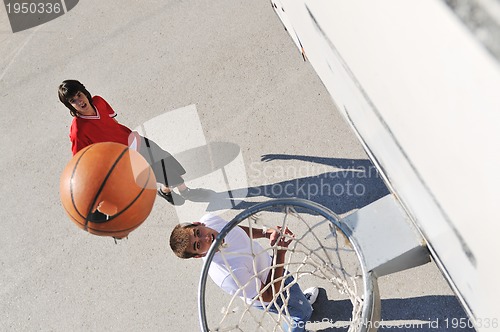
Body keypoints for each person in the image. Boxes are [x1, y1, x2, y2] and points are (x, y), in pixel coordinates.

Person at [58, 79, 206, 208]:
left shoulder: (98, 101)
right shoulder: (78, 130)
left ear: (84, 92)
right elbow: (82, 160)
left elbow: (113, 122)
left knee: (166, 161)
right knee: (162, 171)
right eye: (73, 101)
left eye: (79, 95)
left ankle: (167, 191)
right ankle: (184, 191)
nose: (79, 101)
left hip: (135, 141)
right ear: (69, 106)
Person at [169, 213, 319, 332]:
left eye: (198, 232)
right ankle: (298, 317)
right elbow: (267, 296)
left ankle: (299, 302)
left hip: (270, 265)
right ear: (199, 255)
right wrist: (280, 254)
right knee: (302, 313)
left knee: (294, 290)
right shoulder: (227, 275)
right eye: (198, 244)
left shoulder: (210, 220)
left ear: (198, 224)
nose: (206, 238)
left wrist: (265, 233)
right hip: (270, 291)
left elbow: (235, 230)